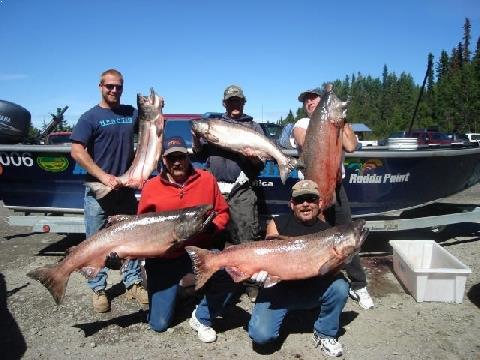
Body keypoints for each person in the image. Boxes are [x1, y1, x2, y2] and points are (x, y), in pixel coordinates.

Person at [138, 136, 236, 343]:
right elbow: (141, 228)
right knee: (159, 325)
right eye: (171, 158)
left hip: (198, 251)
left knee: (229, 274)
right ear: (164, 160)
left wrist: (213, 228)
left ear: (188, 157)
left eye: (181, 157)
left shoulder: (206, 179)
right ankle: (181, 292)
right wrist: (122, 256)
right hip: (165, 258)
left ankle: (201, 316)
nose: (176, 162)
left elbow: (222, 212)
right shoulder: (151, 186)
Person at [70, 68, 148, 313]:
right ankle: (98, 288)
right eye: (110, 86)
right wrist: (103, 176)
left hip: (124, 190)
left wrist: (158, 111)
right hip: (98, 192)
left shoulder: (130, 114)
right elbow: (77, 151)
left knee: (131, 240)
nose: (114, 90)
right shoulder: (89, 117)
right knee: (95, 243)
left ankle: (133, 282)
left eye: (118, 86)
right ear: (100, 86)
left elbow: (150, 132)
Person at [292, 87, 374, 310]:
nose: (309, 102)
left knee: (348, 234)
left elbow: (351, 146)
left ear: (323, 102)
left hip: (336, 188)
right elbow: (303, 142)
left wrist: (340, 121)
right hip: (310, 191)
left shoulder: (339, 123)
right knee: (314, 238)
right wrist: (324, 122)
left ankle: (358, 285)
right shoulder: (301, 124)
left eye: (313, 99)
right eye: (306, 100)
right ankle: (316, 284)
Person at [248, 179, 349, 357]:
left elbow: (330, 272)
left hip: (311, 289)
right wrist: (258, 273)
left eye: (310, 199)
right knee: (261, 338)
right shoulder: (276, 224)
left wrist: (339, 260)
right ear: (291, 204)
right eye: (299, 200)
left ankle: (325, 332)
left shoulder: (328, 232)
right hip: (277, 291)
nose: (305, 204)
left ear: (320, 203)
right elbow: (268, 253)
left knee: (340, 286)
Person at [192, 85, 264, 246]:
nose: (235, 105)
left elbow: (260, 165)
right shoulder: (214, 125)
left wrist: (253, 158)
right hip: (214, 190)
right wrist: (196, 139)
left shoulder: (254, 127)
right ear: (224, 104)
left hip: (242, 190)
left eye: (238, 101)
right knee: (210, 238)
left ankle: (245, 270)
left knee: (245, 240)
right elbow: (199, 155)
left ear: (244, 102)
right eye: (231, 101)